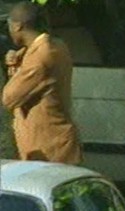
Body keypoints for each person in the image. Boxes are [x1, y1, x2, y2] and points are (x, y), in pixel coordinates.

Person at [2, 1, 82, 164]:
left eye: (9, 26)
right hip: (56, 143)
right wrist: (18, 62)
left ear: (17, 26)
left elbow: (10, 97)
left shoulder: (40, 56)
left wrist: (12, 66)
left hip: (48, 147)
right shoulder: (56, 45)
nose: (9, 31)